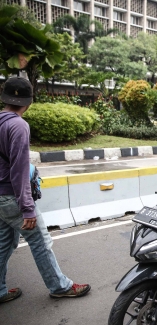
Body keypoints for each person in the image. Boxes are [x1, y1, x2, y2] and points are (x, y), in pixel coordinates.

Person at [0, 76, 91, 304]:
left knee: (4, 243)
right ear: (29, 102)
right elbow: (19, 170)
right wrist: (28, 209)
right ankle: (59, 286)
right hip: (12, 197)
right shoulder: (18, 125)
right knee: (40, 241)